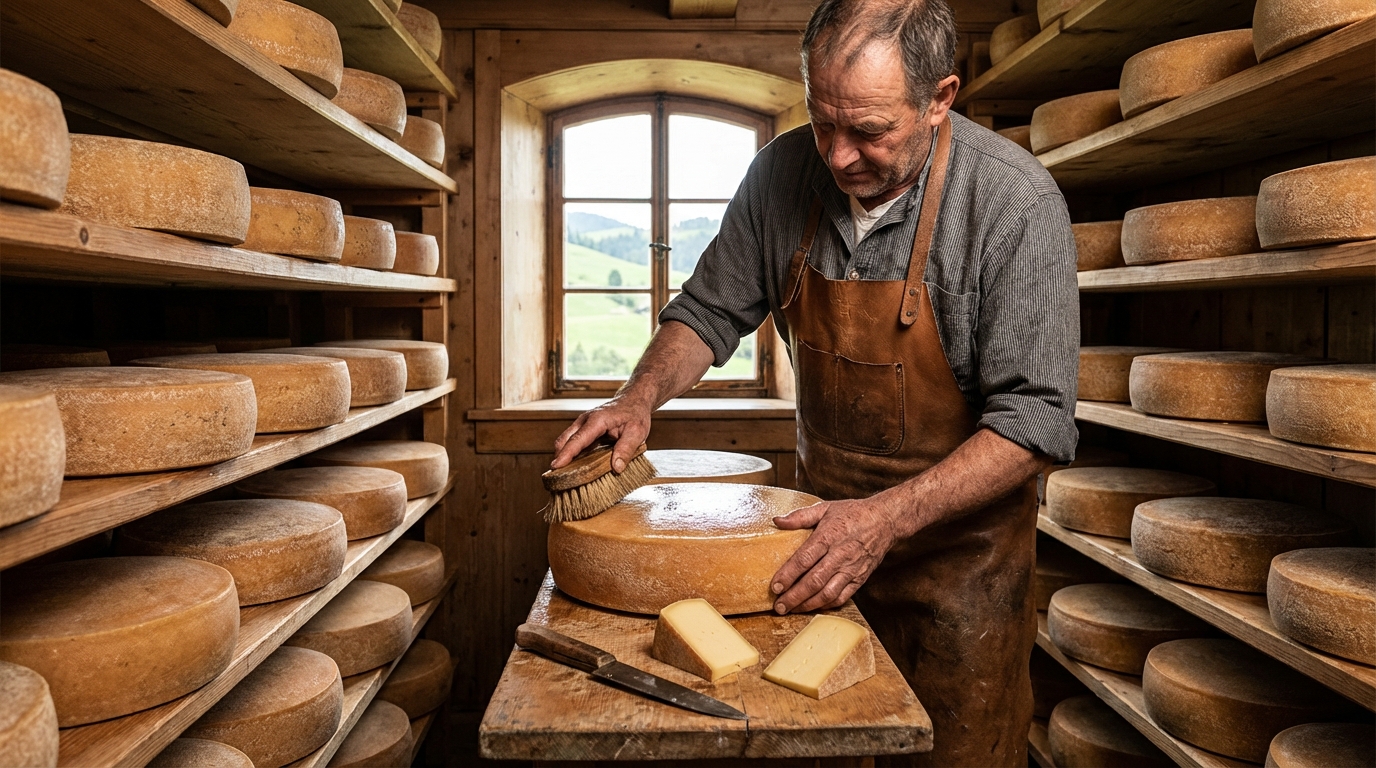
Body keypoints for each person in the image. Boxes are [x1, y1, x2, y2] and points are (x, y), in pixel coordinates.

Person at [550, 0, 1079, 763]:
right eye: (821, 121)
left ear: (940, 99)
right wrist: (639, 397)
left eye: (867, 131)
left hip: (960, 578)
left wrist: (884, 520)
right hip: (814, 557)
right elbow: (707, 310)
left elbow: (1035, 424)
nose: (835, 156)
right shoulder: (781, 174)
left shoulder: (1014, 205)